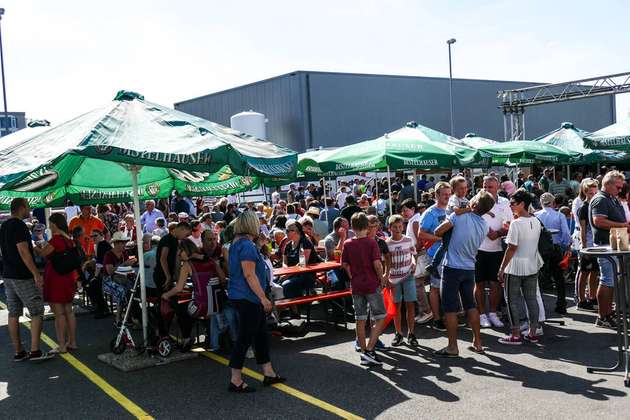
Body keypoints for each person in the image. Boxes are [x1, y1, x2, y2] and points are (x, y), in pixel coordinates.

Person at [228, 211, 285, 392]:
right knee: (245, 338)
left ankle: (268, 372)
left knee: (260, 335)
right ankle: (235, 379)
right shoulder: (246, 245)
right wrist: (263, 298)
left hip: (242, 296)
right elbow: (249, 274)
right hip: (248, 297)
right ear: (251, 225)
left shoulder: (237, 244)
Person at [434, 190, 495, 356]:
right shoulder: (484, 224)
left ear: (474, 204)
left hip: (452, 268)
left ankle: (452, 347)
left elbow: (438, 231)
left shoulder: (458, 217)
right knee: (471, 305)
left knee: (450, 309)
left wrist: (459, 213)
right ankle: (478, 342)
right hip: (469, 268)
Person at [1, 198, 53, 361]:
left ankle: (19, 351)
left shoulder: (4, 226)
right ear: (21, 208)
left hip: (8, 274)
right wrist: (36, 274)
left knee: (14, 313)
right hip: (22, 275)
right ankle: (35, 350)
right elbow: (23, 251)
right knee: (37, 310)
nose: (30, 211)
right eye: (28, 207)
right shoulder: (19, 225)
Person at [497, 189, 543, 345]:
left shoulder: (516, 223)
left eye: (513, 203)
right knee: (531, 299)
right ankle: (532, 332)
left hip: (515, 266)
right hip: (532, 263)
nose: (510, 205)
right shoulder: (536, 220)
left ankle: (515, 334)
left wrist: (502, 268)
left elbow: (511, 248)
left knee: (512, 300)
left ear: (522, 204)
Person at [342, 212, 388, 366]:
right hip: (371, 284)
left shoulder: (348, 243)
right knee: (380, 316)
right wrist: (381, 278)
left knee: (360, 319)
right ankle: (369, 350)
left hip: (356, 285)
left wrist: (351, 276)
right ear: (367, 226)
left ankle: (364, 353)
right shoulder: (371, 243)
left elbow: (345, 264)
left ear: (352, 227)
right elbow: (377, 263)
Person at [589, 170, 628, 328]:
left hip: (613, 246)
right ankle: (603, 316)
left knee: (610, 280)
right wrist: (623, 225)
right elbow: (598, 221)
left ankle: (606, 313)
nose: (620, 190)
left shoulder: (610, 198)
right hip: (605, 246)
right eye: (618, 187)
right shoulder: (600, 199)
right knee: (607, 280)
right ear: (608, 184)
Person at [38, 212, 79, 353]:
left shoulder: (56, 240)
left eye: (50, 224)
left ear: (55, 224)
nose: (49, 226)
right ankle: (72, 342)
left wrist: (35, 247)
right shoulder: (69, 239)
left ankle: (62, 345)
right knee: (68, 310)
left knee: (59, 313)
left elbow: (43, 254)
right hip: (68, 277)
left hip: (56, 277)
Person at [475, 176, 512, 328]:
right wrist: (484, 231)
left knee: (496, 283)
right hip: (478, 248)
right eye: (485, 186)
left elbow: (510, 223)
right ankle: (482, 314)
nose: (487, 189)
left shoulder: (504, 202)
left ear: (497, 187)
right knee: (479, 283)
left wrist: (497, 233)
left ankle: (493, 313)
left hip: (497, 248)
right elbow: (472, 220)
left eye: (490, 187)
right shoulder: (476, 200)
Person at [418, 182, 451, 331]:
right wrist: (439, 239)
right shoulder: (430, 213)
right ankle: (437, 319)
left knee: (449, 286)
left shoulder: (452, 209)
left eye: (449, 194)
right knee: (436, 287)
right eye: (444, 194)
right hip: (436, 255)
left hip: (452, 254)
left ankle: (449, 316)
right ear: (437, 195)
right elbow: (421, 234)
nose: (447, 197)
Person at [535, 193, 571, 314]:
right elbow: (566, 233)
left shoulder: (536, 215)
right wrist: (566, 245)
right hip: (555, 248)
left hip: (541, 249)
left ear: (541, 202)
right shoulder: (559, 215)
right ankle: (561, 304)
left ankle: (539, 307)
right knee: (559, 277)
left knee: (540, 278)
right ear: (553, 202)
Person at [159, 239, 198, 351]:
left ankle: (183, 337)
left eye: (180, 250)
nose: (178, 253)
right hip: (208, 299)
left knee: (179, 305)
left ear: (186, 250)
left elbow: (179, 287)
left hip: (197, 301)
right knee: (181, 303)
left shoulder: (187, 264)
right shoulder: (204, 259)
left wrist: (166, 295)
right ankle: (185, 336)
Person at [386, 215, 418, 347]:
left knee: (410, 304)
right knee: (397, 306)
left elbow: (413, 254)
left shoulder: (408, 240)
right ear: (390, 228)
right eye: (395, 227)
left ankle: (411, 333)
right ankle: (398, 333)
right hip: (394, 279)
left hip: (408, 275)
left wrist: (414, 263)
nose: (398, 229)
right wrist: (386, 277)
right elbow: (385, 262)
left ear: (403, 227)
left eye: (400, 226)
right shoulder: (387, 244)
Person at [399, 198, 433, 325]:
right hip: (418, 254)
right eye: (402, 211)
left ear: (413, 209)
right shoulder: (414, 220)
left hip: (419, 255)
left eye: (405, 210)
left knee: (418, 284)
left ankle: (426, 311)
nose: (403, 213)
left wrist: (414, 253)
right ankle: (424, 311)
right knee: (419, 284)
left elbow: (420, 241)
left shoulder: (415, 221)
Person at [102, 232, 137, 325]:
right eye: (123, 243)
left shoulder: (124, 253)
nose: (125, 245)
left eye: (125, 242)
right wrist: (124, 264)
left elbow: (126, 269)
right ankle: (118, 319)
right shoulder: (108, 255)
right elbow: (109, 271)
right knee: (121, 291)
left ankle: (129, 316)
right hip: (108, 280)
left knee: (133, 289)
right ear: (116, 243)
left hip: (122, 278)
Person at [576, 178, 600, 311]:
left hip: (596, 244)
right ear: (585, 193)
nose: (593, 195)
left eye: (595, 193)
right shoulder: (584, 208)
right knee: (584, 272)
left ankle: (592, 297)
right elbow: (583, 230)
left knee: (595, 271)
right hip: (587, 245)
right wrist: (584, 246)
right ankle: (581, 300)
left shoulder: (594, 206)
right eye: (590, 193)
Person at [281, 220, 319, 299]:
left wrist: (287, 275)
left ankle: (295, 310)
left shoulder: (305, 243)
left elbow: (302, 264)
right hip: (291, 274)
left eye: (287, 230)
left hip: (305, 275)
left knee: (285, 285)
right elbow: (284, 262)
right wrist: (285, 271)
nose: (286, 232)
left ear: (296, 231)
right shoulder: (288, 245)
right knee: (272, 282)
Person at [154, 222, 192, 294]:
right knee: (164, 300)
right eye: (186, 235)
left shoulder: (175, 240)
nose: (185, 237)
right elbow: (163, 259)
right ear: (182, 229)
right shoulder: (167, 239)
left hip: (169, 274)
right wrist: (168, 276)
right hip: (162, 275)